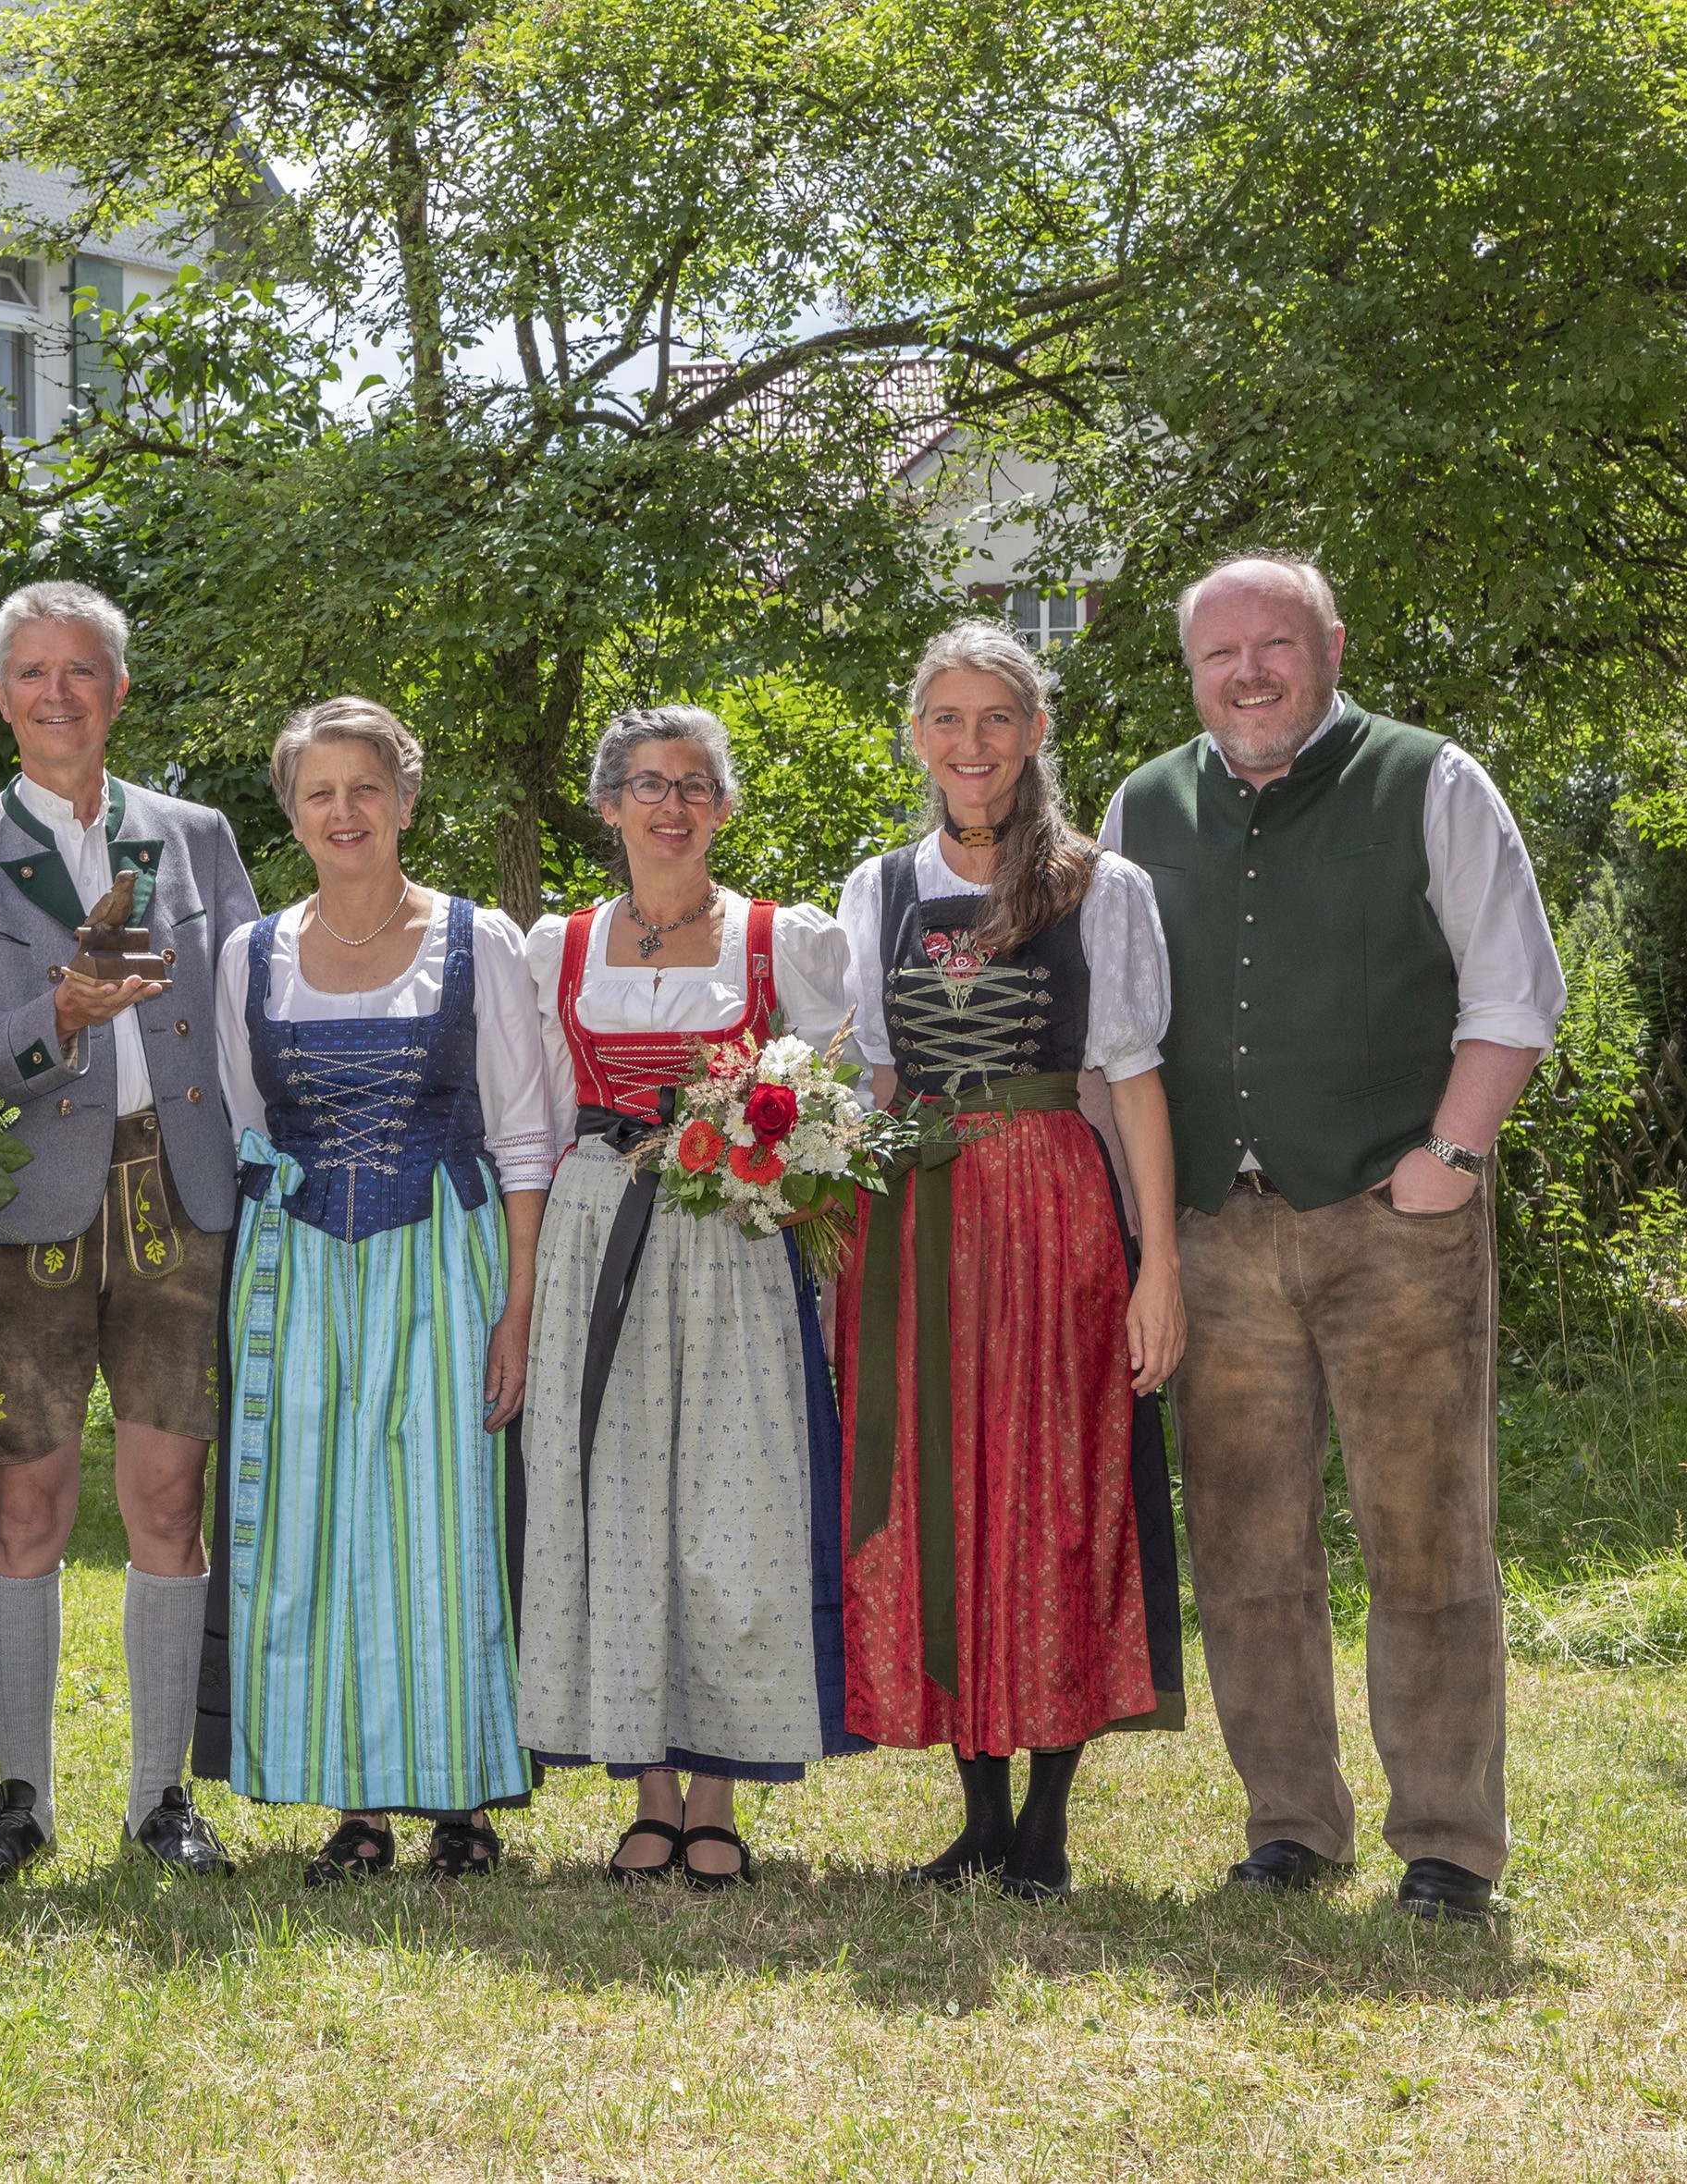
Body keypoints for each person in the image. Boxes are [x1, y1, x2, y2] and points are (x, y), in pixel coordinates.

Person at [1104, 555, 1564, 1924]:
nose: (1247, 672)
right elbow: (1113, 1033)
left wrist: (1447, 1161)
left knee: (1425, 1535)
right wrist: (1145, 1229)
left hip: (1390, 1220)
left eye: (1274, 645)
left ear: (1327, 647)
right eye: (1218, 654)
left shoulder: (1427, 780)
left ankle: (1446, 1840)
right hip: (1214, 1232)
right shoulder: (1138, 805)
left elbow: (1512, 987)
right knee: (1246, 1544)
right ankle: (1289, 1821)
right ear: (1186, 672)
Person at [0, 579, 259, 1880]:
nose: (57, 693)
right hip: (19, 1212)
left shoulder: (193, 835)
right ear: (1, 698)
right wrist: (59, 1014)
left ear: (115, 688)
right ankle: (20, 1795)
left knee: (167, 1495)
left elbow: (246, 1003)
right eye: (31, 672)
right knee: (27, 1503)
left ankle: (161, 1798)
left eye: (81, 670)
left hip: (184, 1197)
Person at [831, 620, 1188, 1901]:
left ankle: (1044, 1816)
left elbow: (1134, 1083)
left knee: (1051, 1488)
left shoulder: (1101, 885)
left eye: (995, 717)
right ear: (915, 733)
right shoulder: (874, 886)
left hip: (1051, 1211)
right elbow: (869, 1075)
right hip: (914, 1215)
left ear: (1033, 730)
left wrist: (1157, 1267)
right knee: (939, 1489)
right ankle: (976, 1812)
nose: (969, 742)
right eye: (945, 718)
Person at [515, 706, 866, 1888]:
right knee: (611, 1502)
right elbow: (545, 1113)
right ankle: (648, 1791)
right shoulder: (555, 947)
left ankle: (716, 1788)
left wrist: (785, 1161)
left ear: (722, 807)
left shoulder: (781, 939)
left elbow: (845, 1099)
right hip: (595, 1229)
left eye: (695, 786)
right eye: (648, 785)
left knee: (735, 1507)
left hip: (733, 1240)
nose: (672, 806)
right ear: (609, 805)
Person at [208, 699, 554, 1879]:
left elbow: (523, 1138)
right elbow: (254, 1127)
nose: (343, 813)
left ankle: (459, 1794)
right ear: (292, 810)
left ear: (406, 801)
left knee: (443, 1520)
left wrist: (518, 1306)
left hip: (442, 1258)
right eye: (320, 792)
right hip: (299, 1264)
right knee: (314, 1514)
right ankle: (353, 1802)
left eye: (366, 789)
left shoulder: (479, 940)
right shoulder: (249, 953)